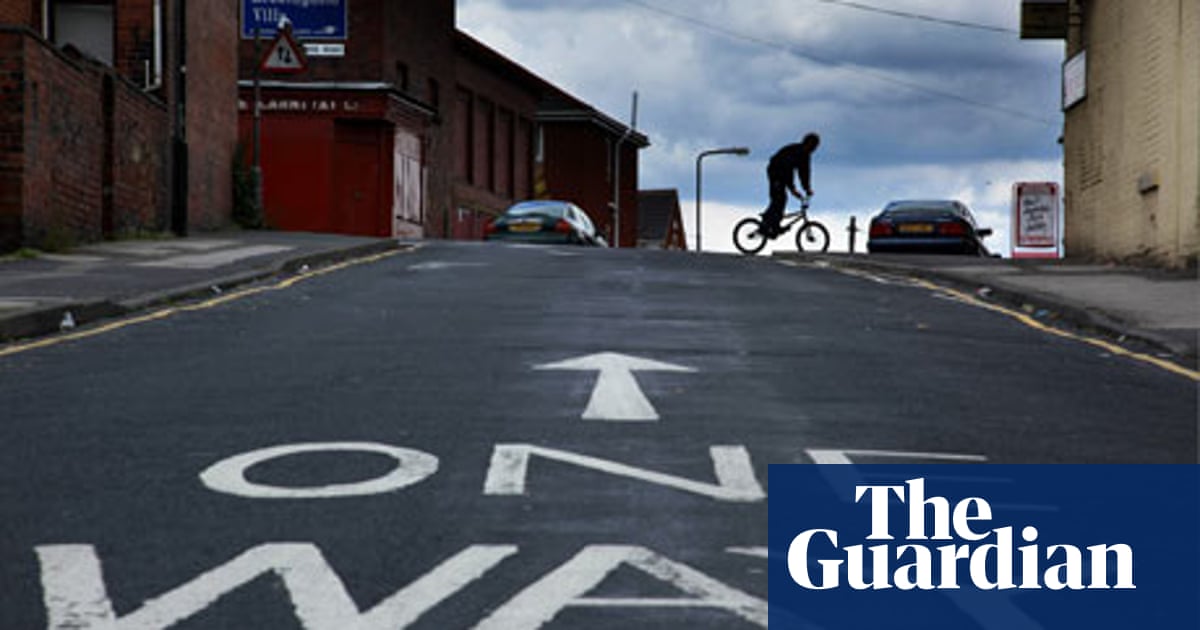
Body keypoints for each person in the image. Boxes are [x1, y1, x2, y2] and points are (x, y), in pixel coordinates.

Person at [761, 132, 820, 237]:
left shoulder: (805, 155)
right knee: (779, 198)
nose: (815, 149)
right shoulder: (797, 152)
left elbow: (804, 173)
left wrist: (807, 188)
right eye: (814, 146)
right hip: (775, 171)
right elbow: (788, 170)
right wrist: (792, 189)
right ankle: (767, 222)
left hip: (783, 173)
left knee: (781, 199)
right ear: (809, 144)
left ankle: (774, 224)